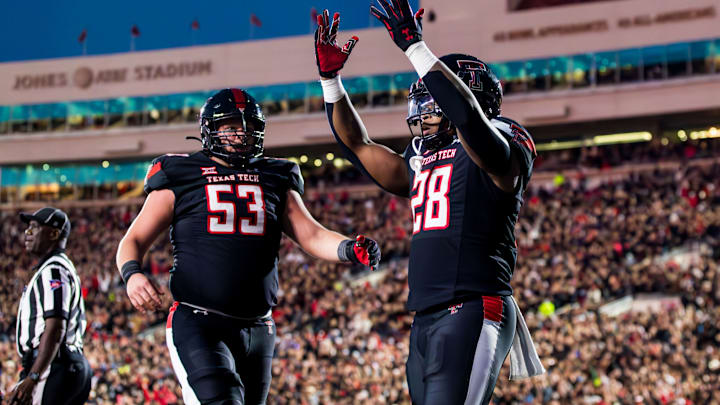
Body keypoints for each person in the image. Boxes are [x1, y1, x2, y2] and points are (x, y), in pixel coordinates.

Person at [314, 3, 544, 404]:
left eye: (434, 97)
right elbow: (358, 146)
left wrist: (416, 48)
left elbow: (473, 125)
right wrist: (330, 82)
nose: (424, 109)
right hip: (426, 316)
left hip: (473, 303)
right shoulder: (421, 157)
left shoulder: (505, 139)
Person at [116, 88, 381, 405]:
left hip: (259, 327)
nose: (241, 133)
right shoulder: (181, 173)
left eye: (248, 126)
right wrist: (133, 274)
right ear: (209, 129)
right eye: (231, 125)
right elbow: (132, 240)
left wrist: (349, 248)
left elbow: (310, 234)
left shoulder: (275, 174)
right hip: (200, 321)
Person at [7, 208, 90, 405]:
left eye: (35, 228)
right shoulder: (57, 267)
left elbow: (55, 327)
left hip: (54, 365)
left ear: (53, 233)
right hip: (62, 364)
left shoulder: (53, 270)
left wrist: (34, 376)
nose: (28, 233)